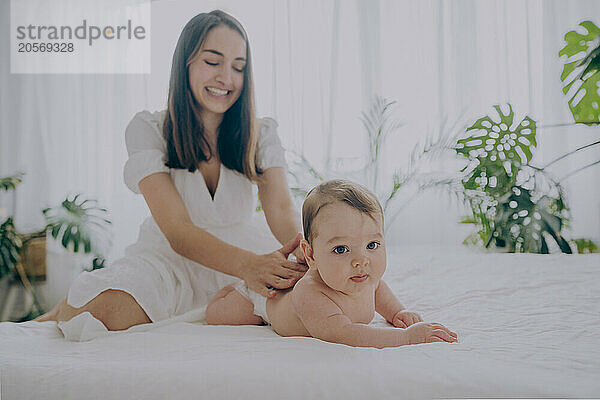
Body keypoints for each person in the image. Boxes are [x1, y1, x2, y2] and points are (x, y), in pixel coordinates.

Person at [36, 10, 307, 337]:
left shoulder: (261, 133)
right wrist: (249, 266)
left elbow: (280, 208)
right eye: (213, 61)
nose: (227, 77)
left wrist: (308, 251)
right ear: (185, 63)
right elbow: (178, 230)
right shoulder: (149, 129)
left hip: (245, 253)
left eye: (238, 66)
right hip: (170, 258)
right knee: (96, 313)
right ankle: (54, 311)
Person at [205, 179, 458, 348]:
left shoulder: (363, 275)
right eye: (341, 249)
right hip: (265, 297)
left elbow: (378, 289)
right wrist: (406, 338)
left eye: (372, 245)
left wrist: (397, 313)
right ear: (311, 255)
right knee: (219, 315)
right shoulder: (310, 293)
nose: (361, 261)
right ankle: (233, 290)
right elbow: (343, 333)